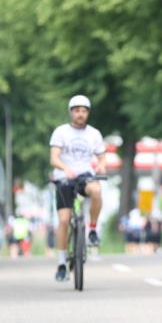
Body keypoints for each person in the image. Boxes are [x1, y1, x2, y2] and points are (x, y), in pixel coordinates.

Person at [50, 95, 107, 281]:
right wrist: (66, 169)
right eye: (77, 111)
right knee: (64, 220)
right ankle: (61, 264)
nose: (80, 114)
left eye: (84, 111)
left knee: (96, 190)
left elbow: (101, 157)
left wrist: (101, 166)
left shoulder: (94, 134)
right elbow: (54, 158)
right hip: (64, 178)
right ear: (71, 112)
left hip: (85, 175)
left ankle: (92, 230)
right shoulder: (61, 132)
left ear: (88, 113)